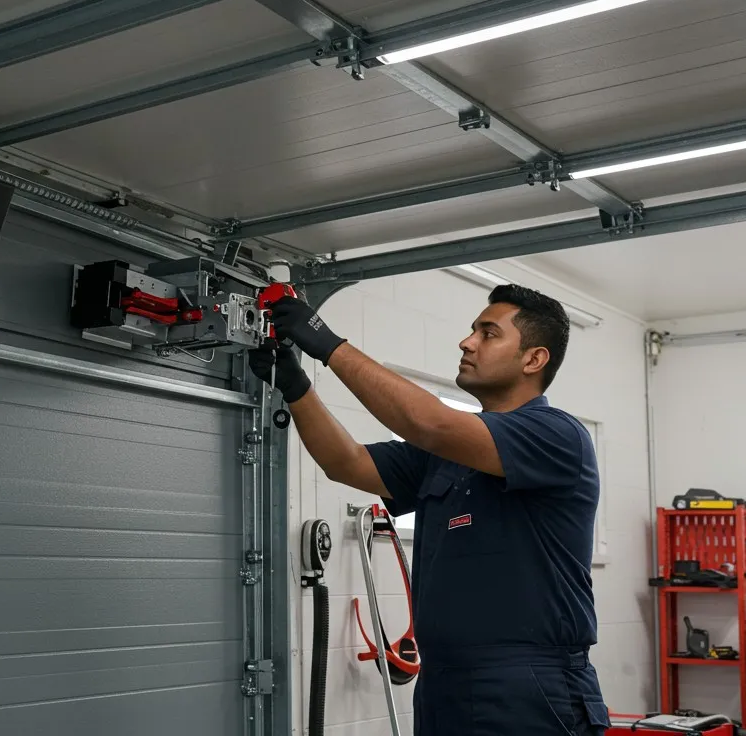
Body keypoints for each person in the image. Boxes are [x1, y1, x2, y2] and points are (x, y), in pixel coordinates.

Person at [251, 284, 610, 736]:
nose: (467, 342)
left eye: (488, 333)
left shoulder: (556, 434)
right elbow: (347, 463)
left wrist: (326, 343)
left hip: (528, 683)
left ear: (533, 359)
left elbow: (429, 422)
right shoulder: (447, 453)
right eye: (471, 331)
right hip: (444, 681)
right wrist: (295, 386)